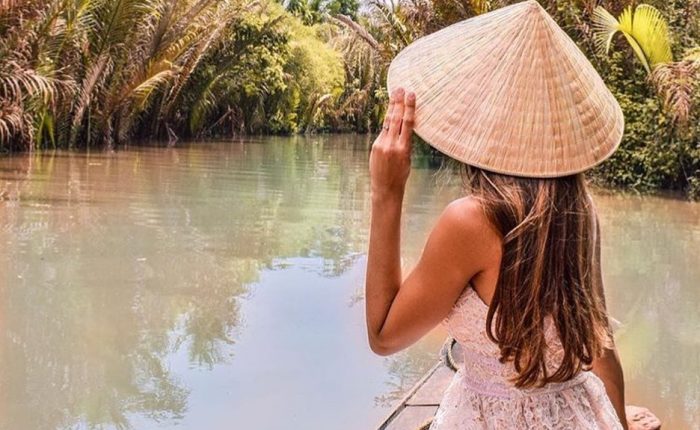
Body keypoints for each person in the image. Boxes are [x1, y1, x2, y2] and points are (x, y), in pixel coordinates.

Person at [364, 2, 638, 428]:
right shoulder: (579, 209)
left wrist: (386, 193)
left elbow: (383, 335)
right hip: (578, 414)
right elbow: (601, 346)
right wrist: (616, 421)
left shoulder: (471, 220)